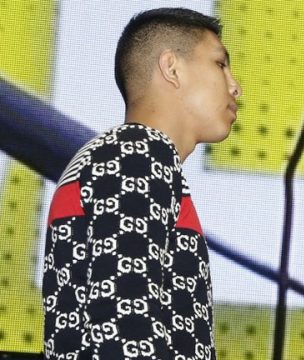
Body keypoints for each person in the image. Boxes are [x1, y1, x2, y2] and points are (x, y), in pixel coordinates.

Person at [42, 7, 241, 359]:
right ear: (172, 67)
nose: (235, 85)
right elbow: (125, 320)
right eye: (220, 64)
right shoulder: (138, 151)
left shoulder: (116, 155)